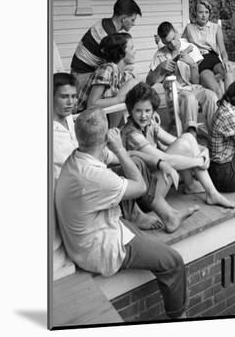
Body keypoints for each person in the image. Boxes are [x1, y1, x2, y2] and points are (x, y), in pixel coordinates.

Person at [55, 107, 188, 319]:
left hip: (98, 228)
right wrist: (120, 148)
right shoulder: (93, 176)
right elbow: (140, 187)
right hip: (101, 248)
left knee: (134, 163)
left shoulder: (80, 154)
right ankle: (178, 318)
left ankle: (143, 217)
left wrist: (162, 163)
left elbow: (132, 159)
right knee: (173, 262)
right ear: (106, 136)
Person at [53, 73, 194, 232]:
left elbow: (105, 154)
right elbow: (78, 167)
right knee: (131, 163)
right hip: (78, 188)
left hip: (96, 172)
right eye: (64, 97)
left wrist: (128, 155)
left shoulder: (71, 121)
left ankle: (165, 215)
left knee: (134, 161)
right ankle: (138, 214)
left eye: (73, 96)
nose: (71, 102)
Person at [122, 82, 235, 208]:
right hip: (146, 194)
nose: (144, 116)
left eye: (148, 110)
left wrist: (204, 150)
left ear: (153, 110)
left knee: (187, 138)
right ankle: (205, 190)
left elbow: (176, 141)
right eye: (138, 111)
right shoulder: (132, 134)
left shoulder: (149, 124)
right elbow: (164, 160)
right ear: (130, 110)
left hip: (156, 179)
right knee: (184, 144)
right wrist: (199, 161)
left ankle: (201, 189)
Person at [146, 21, 218, 136]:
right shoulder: (159, 55)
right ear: (163, 42)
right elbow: (148, 82)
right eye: (168, 43)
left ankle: (215, 133)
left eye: (174, 38)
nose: (173, 44)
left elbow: (196, 81)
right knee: (189, 98)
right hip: (176, 93)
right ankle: (191, 134)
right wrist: (159, 68)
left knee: (212, 96)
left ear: (177, 32)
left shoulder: (191, 48)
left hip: (193, 88)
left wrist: (193, 65)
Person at [70, 0, 142, 94]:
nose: (134, 24)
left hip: (80, 73)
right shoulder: (109, 36)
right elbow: (113, 69)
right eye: (132, 20)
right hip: (81, 79)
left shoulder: (104, 23)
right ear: (124, 19)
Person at [76, 33, 138, 124]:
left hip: (101, 119)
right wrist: (120, 99)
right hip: (85, 120)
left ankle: (114, 131)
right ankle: (113, 131)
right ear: (121, 52)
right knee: (132, 83)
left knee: (133, 82)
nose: (135, 51)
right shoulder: (106, 69)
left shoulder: (122, 74)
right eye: (131, 48)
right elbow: (92, 104)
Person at [182, 0, 233, 98]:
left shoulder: (216, 28)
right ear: (195, 13)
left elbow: (222, 49)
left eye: (206, 12)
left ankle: (231, 103)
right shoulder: (189, 28)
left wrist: (225, 60)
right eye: (200, 12)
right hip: (200, 61)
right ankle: (223, 110)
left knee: (228, 71)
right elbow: (180, 45)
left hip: (213, 58)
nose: (204, 15)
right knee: (217, 91)